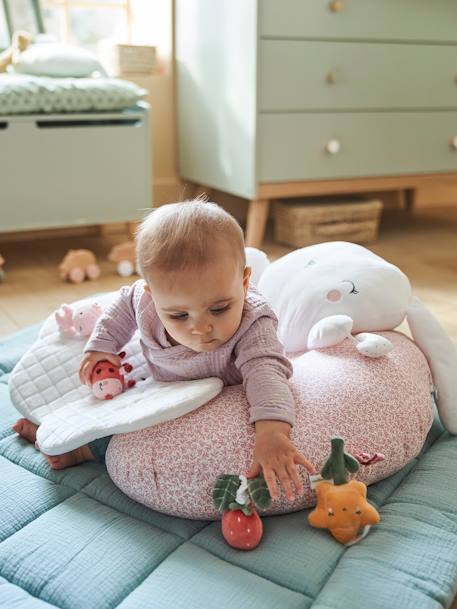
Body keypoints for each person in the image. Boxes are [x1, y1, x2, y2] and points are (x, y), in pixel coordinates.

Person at [14, 200, 315, 501]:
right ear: (151, 295)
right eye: (179, 316)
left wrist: (273, 433)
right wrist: (102, 347)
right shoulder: (142, 301)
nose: (201, 328)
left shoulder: (254, 323)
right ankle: (52, 423)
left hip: (219, 398)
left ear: (245, 282)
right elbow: (120, 311)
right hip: (159, 387)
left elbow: (267, 375)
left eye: (220, 308)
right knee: (112, 410)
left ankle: (84, 449)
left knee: (148, 439)